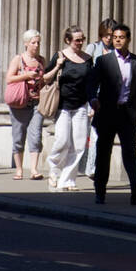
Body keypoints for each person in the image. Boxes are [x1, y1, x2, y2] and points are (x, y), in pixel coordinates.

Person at [87, 22, 136, 206]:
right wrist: (93, 100)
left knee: (130, 152)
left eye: (121, 37)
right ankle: (100, 192)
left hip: (127, 114)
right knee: (104, 153)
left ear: (128, 39)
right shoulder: (103, 61)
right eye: (115, 37)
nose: (117, 40)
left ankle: (135, 187)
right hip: (107, 114)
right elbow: (91, 84)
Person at [45, 27, 93, 191]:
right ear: (68, 40)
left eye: (82, 39)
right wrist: (57, 67)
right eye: (77, 40)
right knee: (62, 140)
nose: (80, 43)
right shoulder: (60, 56)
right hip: (63, 105)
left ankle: (68, 180)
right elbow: (45, 78)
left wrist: (92, 104)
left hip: (81, 105)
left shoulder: (88, 59)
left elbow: (90, 84)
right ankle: (54, 170)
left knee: (79, 144)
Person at [5, 29, 47, 180]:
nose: (36, 45)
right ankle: (19, 169)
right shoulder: (18, 59)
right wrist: (26, 76)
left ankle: (34, 169)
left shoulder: (42, 60)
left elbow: (44, 79)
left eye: (38, 42)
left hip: (37, 103)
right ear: (26, 43)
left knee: (35, 136)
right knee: (18, 136)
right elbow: (9, 78)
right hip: (20, 103)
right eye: (33, 42)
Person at [81, 19, 115, 179]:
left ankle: (94, 168)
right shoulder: (93, 48)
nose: (108, 38)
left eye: (111, 35)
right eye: (105, 35)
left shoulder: (117, 51)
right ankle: (91, 169)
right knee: (93, 135)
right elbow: (87, 75)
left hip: (109, 98)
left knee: (100, 136)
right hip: (94, 97)